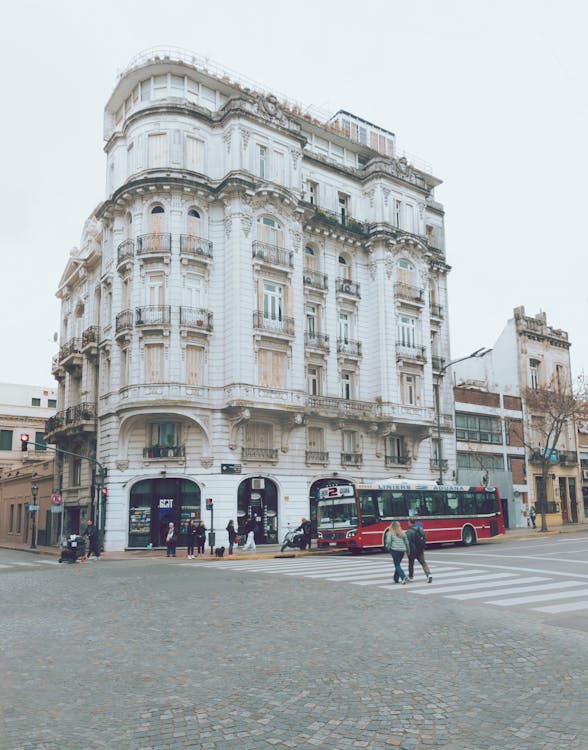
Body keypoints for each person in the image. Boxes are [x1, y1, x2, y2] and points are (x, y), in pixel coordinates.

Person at [405, 518, 432, 583]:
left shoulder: (409, 531)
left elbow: (407, 542)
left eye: (408, 522)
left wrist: (407, 551)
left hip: (412, 550)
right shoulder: (421, 529)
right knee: (423, 562)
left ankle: (411, 576)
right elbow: (424, 539)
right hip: (420, 549)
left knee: (411, 563)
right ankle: (428, 574)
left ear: (410, 522)